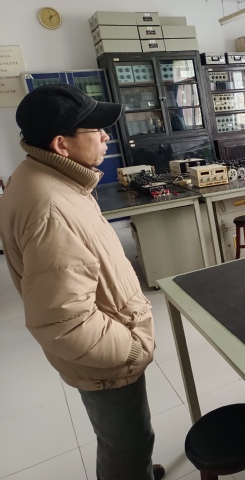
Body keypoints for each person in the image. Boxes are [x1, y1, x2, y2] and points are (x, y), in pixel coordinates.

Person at [0, 84, 164, 480]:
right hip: (106, 360)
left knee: (129, 440)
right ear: (62, 144)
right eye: (95, 130)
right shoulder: (51, 208)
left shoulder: (48, 178)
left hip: (104, 349)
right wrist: (131, 349)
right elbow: (64, 323)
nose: (107, 136)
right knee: (126, 444)